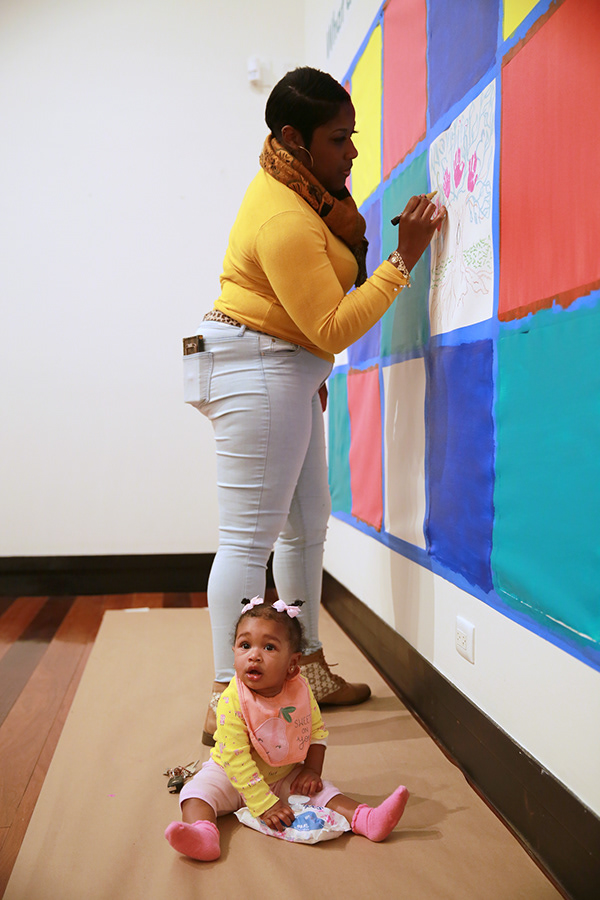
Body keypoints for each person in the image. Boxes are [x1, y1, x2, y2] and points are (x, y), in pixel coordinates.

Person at [186, 67, 446, 745]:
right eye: (339, 138)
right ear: (294, 138)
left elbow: (311, 323)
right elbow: (329, 326)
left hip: (278, 365)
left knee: (305, 527)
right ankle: (227, 703)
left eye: (352, 135)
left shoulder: (307, 193)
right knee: (248, 541)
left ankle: (307, 672)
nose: (353, 151)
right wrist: (403, 260)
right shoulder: (284, 215)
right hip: (256, 366)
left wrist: (305, 368)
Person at [165, 598, 410, 860]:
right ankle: (203, 834)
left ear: (293, 662)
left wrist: (311, 771)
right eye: (245, 645)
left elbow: (316, 732)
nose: (254, 655)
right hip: (229, 776)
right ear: (234, 650)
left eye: (269, 647)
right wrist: (264, 804)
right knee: (195, 794)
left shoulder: (300, 691)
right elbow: (235, 757)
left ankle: (367, 819)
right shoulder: (232, 700)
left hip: (282, 774)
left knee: (324, 792)